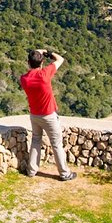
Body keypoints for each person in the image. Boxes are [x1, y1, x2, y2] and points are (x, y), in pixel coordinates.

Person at [19, 49, 77, 180]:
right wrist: (46, 51)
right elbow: (60, 59)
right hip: (49, 115)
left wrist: (38, 54)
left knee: (35, 141)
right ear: (42, 62)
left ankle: (31, 170)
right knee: (56, 144)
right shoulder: (45, 74)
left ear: (28, 62)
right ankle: (64, 173)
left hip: (34, 115)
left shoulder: (24, 79)